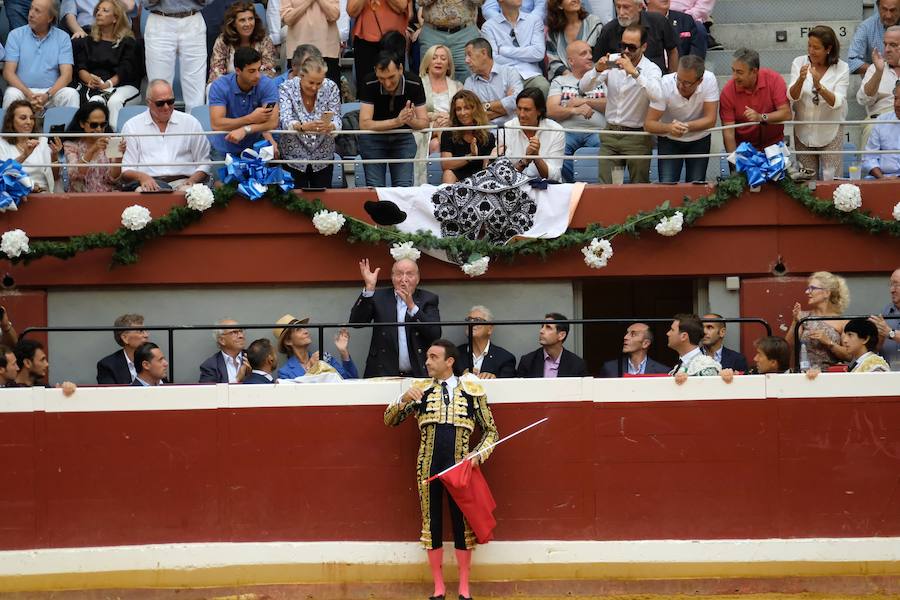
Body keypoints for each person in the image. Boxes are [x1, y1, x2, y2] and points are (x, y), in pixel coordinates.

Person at [385, 339, 498, 600]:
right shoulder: (419, 390)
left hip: (460, 468)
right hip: (428, 466)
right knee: (432, 523)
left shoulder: (472, 390)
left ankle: (464, 588)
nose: (427, 361)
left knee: (462, 525)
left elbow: (491, 431)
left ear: (450, 362)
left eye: (433, 357)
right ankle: (438, 588)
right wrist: (402, 399)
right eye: (427, 357)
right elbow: (389, 420)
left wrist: (477, 455)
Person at [579, 23, 662, 184]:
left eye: (632, 47)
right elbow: (583, 87)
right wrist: (597, 69)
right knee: (606, 186)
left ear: (643, 47)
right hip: (610, 133)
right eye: (623, 45)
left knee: (639, 188)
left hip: (637, 136)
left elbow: (658, 96)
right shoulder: (613, 61)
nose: (626, 51)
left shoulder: (651, 69)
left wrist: (635, 74)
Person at [348, 257, 442, 378]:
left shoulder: (428, 299)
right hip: (383, 371)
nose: (404, 279)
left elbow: (435, 333)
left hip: (419, 372)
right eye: (399, 274)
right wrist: (370, 288)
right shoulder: (379, 297)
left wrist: (411, 306)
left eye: (409, 274)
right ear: (392, 278)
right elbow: (356, 322)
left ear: (417, 278)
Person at [120, 79, 211, 192]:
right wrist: (143, 177)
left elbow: (204, 162)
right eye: (160, 103)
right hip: (149, 183)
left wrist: (192, 180)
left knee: (193, 194)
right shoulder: (132, 126)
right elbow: (126, 169)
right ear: (148, 102)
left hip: (184, 182)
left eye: (170, 101)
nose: (166, 107)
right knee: (144, 193)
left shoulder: (190, 122)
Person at [358, 51, 429, 187]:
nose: (387, 83)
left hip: (403, 138)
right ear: (375, 71)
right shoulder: (369, 81)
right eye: (381, 78)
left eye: (391, 77)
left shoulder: (414, 82)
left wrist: (409, 120)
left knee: (404, 188)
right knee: (375, 188)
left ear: (401, 69)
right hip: (373, 139)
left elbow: (424, 122)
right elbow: (364, 124)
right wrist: (397, 121)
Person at [788, 26, 849, 180]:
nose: (811, 51)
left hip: (830, 133)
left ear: (828, 49)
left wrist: (819, 86)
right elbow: (792, 96)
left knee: (832, 181)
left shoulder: (842, 68)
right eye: (809, 45)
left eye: (816, 47)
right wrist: (800, 80)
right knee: (807, 184)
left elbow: (837, 102)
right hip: (803, 133)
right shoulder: (799, 62)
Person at [644, 54, 717, 183]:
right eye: (678, 79)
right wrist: (669, 128)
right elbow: (649, 124)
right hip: (669, 139)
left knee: (696, 186)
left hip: (699, 139)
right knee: (667, 185)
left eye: (687, 83)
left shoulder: (709, 80)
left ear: (700, 80)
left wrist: (684, 127)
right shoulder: (665, 83)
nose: (680, 85)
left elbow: (711, 120)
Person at [72, 0, 143, 129]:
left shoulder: (128, 42)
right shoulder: (88, 40)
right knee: (95, 101)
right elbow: (81, 67)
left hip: (123, 86)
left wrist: (107, 84)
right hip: (96, 88)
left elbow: (125, 70)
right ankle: (95, 141)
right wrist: (91, 80)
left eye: (105, 11)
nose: (99, 13)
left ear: (115, 18)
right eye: (98, 10)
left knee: (114, 101)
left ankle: (113, 142)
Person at [2, 0, 81, 109]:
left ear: (50, 18)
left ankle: (71, 127)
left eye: (37, 11)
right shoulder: (15, 35)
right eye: (31, 8)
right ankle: (8, 127)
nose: (31, 14)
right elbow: (8, 73)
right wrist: (29, 94)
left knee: (71, 94)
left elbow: (67, 75)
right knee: (11, 94)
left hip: (51, 93)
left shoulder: (62, 37)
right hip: (23, 92)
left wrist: (47, 95)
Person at [279, 54, 342, 188]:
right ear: (301, 76)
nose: (314, 87)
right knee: (294, 202)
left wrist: (331, 126)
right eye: (311, 83)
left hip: (323, 157)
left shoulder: (331, 87)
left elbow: (337, 118)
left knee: (323, 204)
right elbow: (285, 119)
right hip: (293, 157)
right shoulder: (286, 87)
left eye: (319, 83)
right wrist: (302, 127)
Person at [548, 40, 606, 183]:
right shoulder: (559, 81)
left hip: (597, 131)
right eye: (583, 53)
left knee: (605, 148)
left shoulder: (603, 78)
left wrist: (584, 101)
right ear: (571, 61)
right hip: (567, 131)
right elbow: (551, 110)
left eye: (590, 53)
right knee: (559, 148)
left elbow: (612, 105)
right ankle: (571, 186)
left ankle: (595, 187)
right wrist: (575, 110)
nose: (590, 56)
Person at [208, 47, 280, 163]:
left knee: (258, 181)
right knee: (221, 182)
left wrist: (245, 129)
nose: (257, 75)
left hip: (255, 148)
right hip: (224, 149)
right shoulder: (219, 86)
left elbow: (272, 122)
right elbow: (216, 124)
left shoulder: (267, 85)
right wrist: (250, 118)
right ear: (238, 71)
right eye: (251, 71)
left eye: (259, 69)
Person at [719, 48, 792, 154]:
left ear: (754, 71)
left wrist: (761, 117)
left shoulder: (774, 79)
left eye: (739, 72)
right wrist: (735, 162)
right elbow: (728, 133)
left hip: (774, 147)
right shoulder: (728, 91)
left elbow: (786, 114)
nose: (734, 76)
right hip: (744, 150)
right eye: (733, 70)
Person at [143, 0, 208, 113]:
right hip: (160, 19)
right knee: (159, 85)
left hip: (193, 18)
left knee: (196, 87)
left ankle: (195, 129)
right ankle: (158, 128)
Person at [480, 0, 549, 96]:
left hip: (530, 74)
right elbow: (493, 59)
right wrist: (526, 56)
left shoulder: (534, 20)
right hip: (504, 76)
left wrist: (504, 50)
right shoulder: (488, 27)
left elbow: (538, 53)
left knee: (543, 86)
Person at [416, 44, 464, 183]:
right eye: (434, 58)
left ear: (448, 65)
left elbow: (464, 111)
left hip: (451, 126)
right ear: (427, 62)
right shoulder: (417, 84)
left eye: (443, 58)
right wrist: (435, 118)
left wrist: (450, 119)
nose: (438, 61)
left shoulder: (457, 86)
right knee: (437, 141)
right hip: (424, 128)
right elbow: (413, 111)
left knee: (436, 145)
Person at [786, 271, 852, 370]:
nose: (807, 292)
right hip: (805, 375)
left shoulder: (842, 321)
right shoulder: (803, 317)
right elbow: (787, 347)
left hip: (832, 376)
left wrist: (829, 342)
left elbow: (849, 356)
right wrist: (795, 322)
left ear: (826, 293)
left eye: (812, 288)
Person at [592, 0, 677, 75]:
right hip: (622, 86)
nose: (621, 12)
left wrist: (671, 79)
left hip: (657, 81)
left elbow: (672, 51)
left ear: (639, 7)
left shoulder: (658, 21)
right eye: (618, 7)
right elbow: (597, 61)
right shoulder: (609, 30)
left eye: (626, 7)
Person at [208, 1, 278, 88]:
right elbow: (216, 70)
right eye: (242, 20)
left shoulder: (264, 39)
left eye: (251, 19)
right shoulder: (223, 40)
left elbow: (269, 70)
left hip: (257, 85)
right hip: (229, 87)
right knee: (211, 87)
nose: (248, 24)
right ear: (233, 23)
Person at [501, 87, 565, 180]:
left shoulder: (556, 131)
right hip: (514, 188)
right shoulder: (507, 128)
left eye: (527, 110)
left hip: (547, 189)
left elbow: (555, 177)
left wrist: (537, 158)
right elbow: (501, 175)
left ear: (539, 111)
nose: (521, 114)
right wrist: (524, 162)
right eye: (519, 109)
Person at [0, 100, 62, 193]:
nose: (29, 122)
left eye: (32, 118)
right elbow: (3, 175)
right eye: (23, 118)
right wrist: (24, 155)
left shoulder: (42, 141)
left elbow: (55, 177)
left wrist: (54, 156)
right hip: (15, 196)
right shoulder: (1, 143)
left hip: (43, 194)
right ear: (11, 121)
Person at [347, 0, 408, 94]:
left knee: (394, 84)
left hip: (392, 39)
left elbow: (401, 6)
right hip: (366, 39)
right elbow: (351, 11)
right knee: (366, 87)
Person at [62, 102, 125, 193]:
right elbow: (75, 174)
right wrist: (92, 150)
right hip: (80, 198)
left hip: (107, 196)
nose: (99, 129)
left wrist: (119, 158)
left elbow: (111, 179)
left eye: (103, 124)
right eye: (94, 125)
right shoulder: (71, 145)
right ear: (82, 124)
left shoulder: (110, 142)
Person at [273, 314, 359, 379]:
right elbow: (295, 397)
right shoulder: (285, 372)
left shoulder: (324, 357)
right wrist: (310, 368)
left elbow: (351, 380)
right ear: (288, 341)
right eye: (298, 329)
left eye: (304, 328)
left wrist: (343, 352)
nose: (306, 331)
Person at [463, 37, 524, 126]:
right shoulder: (469, 82)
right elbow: (471, 114)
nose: (466, 60)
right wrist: (507, 108)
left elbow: (517, 102)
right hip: (485, 134)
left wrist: (485, 106)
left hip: (511, 130)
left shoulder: (509, 73)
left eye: (469, 55)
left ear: (484, 53)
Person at [857, 26, 900, 150]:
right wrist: (878, 72)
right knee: (871, 127)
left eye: (893, 45)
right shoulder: (874, 68)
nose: (887, 50)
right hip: (879, 119)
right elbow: (863, 100)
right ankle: (869, 168)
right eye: (885, 44)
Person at [439, 89, 496, 183]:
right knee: (448, 173)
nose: (462, 113)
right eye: (458, 109)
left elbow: (486, 168)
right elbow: (446, 164)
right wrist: (470, 156)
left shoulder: (488, 136)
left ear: (475, 109)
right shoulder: (448, 133)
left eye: (467, 108)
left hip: (479, 178)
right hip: (457, 177)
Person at [280, 0, 340, 88]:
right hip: (298, 53)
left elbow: (334, 15)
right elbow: (288, 19)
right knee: (296, 92)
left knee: (329, 92)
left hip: (327, 50)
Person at [417, 0, 481, 80]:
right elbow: (420, 2)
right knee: (428, 74)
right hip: (433, 33)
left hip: (464, 34)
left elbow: (480, 2)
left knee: (467, 75)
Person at [545, 0, 603, 83]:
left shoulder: (593, 22)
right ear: (559, 5)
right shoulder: (553, 31)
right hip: (564, 78)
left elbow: (592, 56)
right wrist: (570, 77)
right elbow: (553, 60)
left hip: (592, 78)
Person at [516, 313, 588, 377]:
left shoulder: (577, 364)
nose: (541, 331)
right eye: (542, 326)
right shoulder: (527, 361)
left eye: (548, 327)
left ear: (561, 335)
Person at [456, 305, 516, 378]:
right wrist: (462, 377)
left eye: (477, 320)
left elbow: (509, 386)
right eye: (469, 319)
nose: (471, 323)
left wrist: (494, 380)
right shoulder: (455, 354)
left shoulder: (504, 358)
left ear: (490, 329)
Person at [848, 0, 900, 75]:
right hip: (876, 82)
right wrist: (881, 71)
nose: (888, 15)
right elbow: (852, 63)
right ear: (878, 7)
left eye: (893, 10)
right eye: (884, 9)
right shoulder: (866, 27)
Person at [599, 322, 670, 377]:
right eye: (627, 333)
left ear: (645, 343)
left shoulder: (662, 371)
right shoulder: (610, 368)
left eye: (633, 334)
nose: (625, 337)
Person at [667, 313, 721, 384]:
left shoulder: (705, 366)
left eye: (672, 330)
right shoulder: (680, 364)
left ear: (683, 336)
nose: (668, 333)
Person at [96, 313, 148, 384]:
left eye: (146, 331)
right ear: (125, 338)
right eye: (140, 331)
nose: (146, 335)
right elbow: (110, 394)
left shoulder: (153, 359)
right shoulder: (107, 366)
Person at [862, 82, 900, 178]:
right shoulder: (882, 121)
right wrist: (882, 178)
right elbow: (869, 158)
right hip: (882, 178)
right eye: (895, 98)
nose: (897, 104)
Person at [198, 319, 250, 383]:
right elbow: (207, 392)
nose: (241, 336)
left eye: (241, 331)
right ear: (221, 340)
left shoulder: (254, 357)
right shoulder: (210, 366)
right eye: (234, 332)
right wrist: (237, 379)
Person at [720, 335, 791, 382]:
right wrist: (727, 373)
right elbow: (736, 375)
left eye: (759, 355)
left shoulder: (797, 378)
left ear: (773, 363)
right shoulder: (752, 372)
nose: (755, 359)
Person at [869, 267, 900, 370]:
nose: (892, 290)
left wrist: (890, 333)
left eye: (896, 285)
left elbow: (888, 332)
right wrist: (878, 338)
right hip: (888, 375)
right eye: (891, 284)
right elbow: (875, 350)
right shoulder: (885, 311)